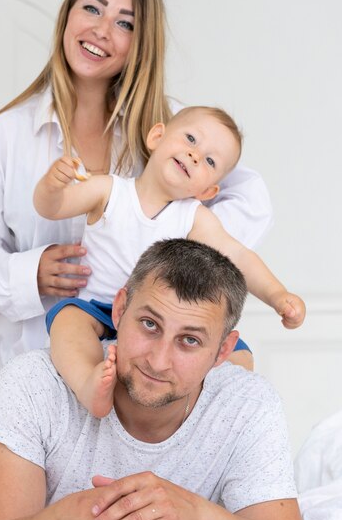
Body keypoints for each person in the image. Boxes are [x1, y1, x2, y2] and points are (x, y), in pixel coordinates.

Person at [0, 0, 272, 520]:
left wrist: (173, 237)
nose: (102, 29)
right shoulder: (5, 137)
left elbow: (246, 196)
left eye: (125, 22)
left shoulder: (166, 135)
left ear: (139, 43)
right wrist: (33, 275)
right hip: (22, 375)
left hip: (136, 383)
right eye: (92, 8)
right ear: (68, 15)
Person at [0, 239, 304, 520]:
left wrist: (196, 514)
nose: (158, 362)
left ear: (221, 352)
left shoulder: (248, 405)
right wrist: (69, 518)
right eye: (149, 324)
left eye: (189, 340)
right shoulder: (34, 384)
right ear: (119, 311)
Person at [34, 106, 306, 418]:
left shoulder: (194, 217)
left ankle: (201, 414)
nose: (194, 155)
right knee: (66, 322)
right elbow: (52, 208)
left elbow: (239, 256)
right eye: (191, 139)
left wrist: (278, 295)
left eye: (209, 160)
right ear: (157, 136)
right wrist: (52, 187)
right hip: (99, 307)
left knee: (239, 355)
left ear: (208, 191)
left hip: (163, 320)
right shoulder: (108, 190)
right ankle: (87, 385)